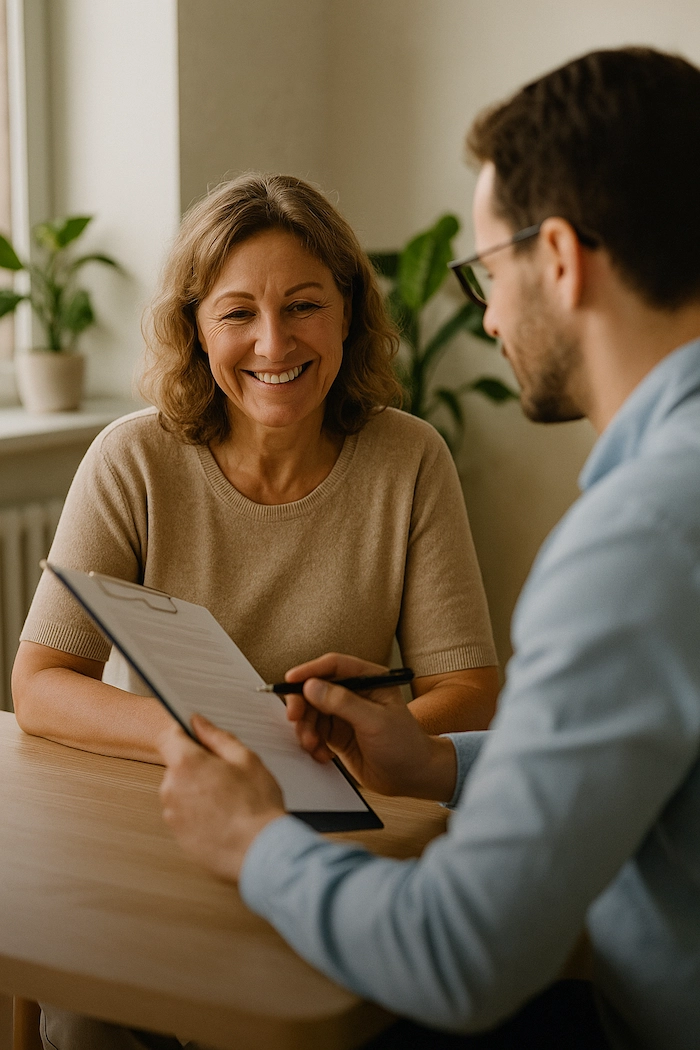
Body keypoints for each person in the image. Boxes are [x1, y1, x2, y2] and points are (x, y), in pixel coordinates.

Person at [157, 47, 700, 1050]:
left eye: (488, 269)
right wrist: (437, 761)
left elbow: (455, 957)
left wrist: (253, 839)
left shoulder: (640, 537)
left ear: (563, 260)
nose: (487, 312)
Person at [12, 173, 499, 771]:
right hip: (177, 794)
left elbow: (469, 692)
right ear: (197, 330)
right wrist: (200, 738)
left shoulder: (412, 458)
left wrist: (339, 759)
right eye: (238, 313)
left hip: (353, 802)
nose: (273, 344)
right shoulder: (131, 460)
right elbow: (41, 684)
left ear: (346, 312)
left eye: (303, 306)